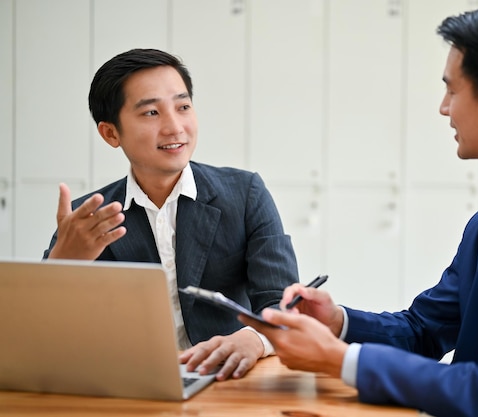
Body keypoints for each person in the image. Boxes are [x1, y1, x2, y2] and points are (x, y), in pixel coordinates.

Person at [238, 2, 478, 416]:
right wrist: (337, 322)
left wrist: (338, 359)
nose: (444, 107)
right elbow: (423, 330)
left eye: (452, 90)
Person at [43, 48, 299, 381]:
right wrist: (64, 263)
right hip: (127, 382)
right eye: (151, 112)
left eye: (183, 107)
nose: (174, 127)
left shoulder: (245, 193)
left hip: (227, 379)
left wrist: (255, 339)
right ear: (111, 133)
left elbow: (283, 302)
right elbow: (46, 334)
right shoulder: (89, 217)